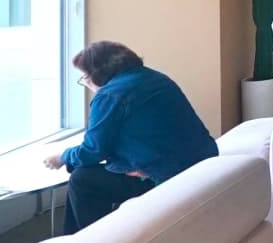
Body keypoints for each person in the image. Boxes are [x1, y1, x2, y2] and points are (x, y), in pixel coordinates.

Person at [42, 42, 216, 232]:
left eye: (84, 77)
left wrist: (62, 157)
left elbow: (93, 151)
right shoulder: (156, 78)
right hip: (200, 164)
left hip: (166, 175)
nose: (86, 84)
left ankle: (95, 241)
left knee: (82, 179)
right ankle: (75, 241)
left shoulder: (110, 95)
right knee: (89, 172)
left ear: (97, 74)